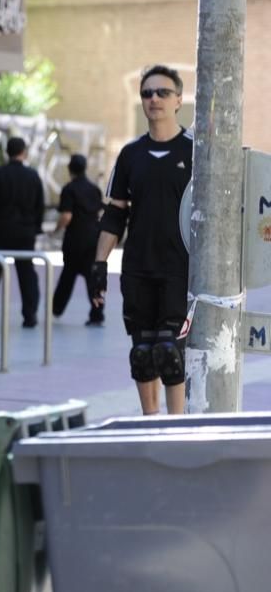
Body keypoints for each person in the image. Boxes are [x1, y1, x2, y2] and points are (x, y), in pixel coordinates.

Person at [91, 64, 192, 415]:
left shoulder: (195, 152)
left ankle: (176, 426)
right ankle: (151, 425)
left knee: (169, 351)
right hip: (138, 267)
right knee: (143, 354)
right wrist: (99, 264)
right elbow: (115, 214)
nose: (154, 99)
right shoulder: (130, 155)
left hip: (180, 269)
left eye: (163, 92)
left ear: (179, 99)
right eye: (147, 93)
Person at [0, 136, 45, 328]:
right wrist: (35, 227)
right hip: (24, 232)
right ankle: (30, 316)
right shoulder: (33, 176)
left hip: (0, 230)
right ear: (24, 152)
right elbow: (40, 205)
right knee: (27, 274)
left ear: (7, 152)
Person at [51, 153, 105, 325]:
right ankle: (97, 314)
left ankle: (56, 309)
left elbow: (66, 216)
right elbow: (99, 213)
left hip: (74, 240)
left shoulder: (69, 189)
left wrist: (56, 229)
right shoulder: (95, 189)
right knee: (92, 279)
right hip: (92, 241)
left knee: (67, 277)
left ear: (70, 169)